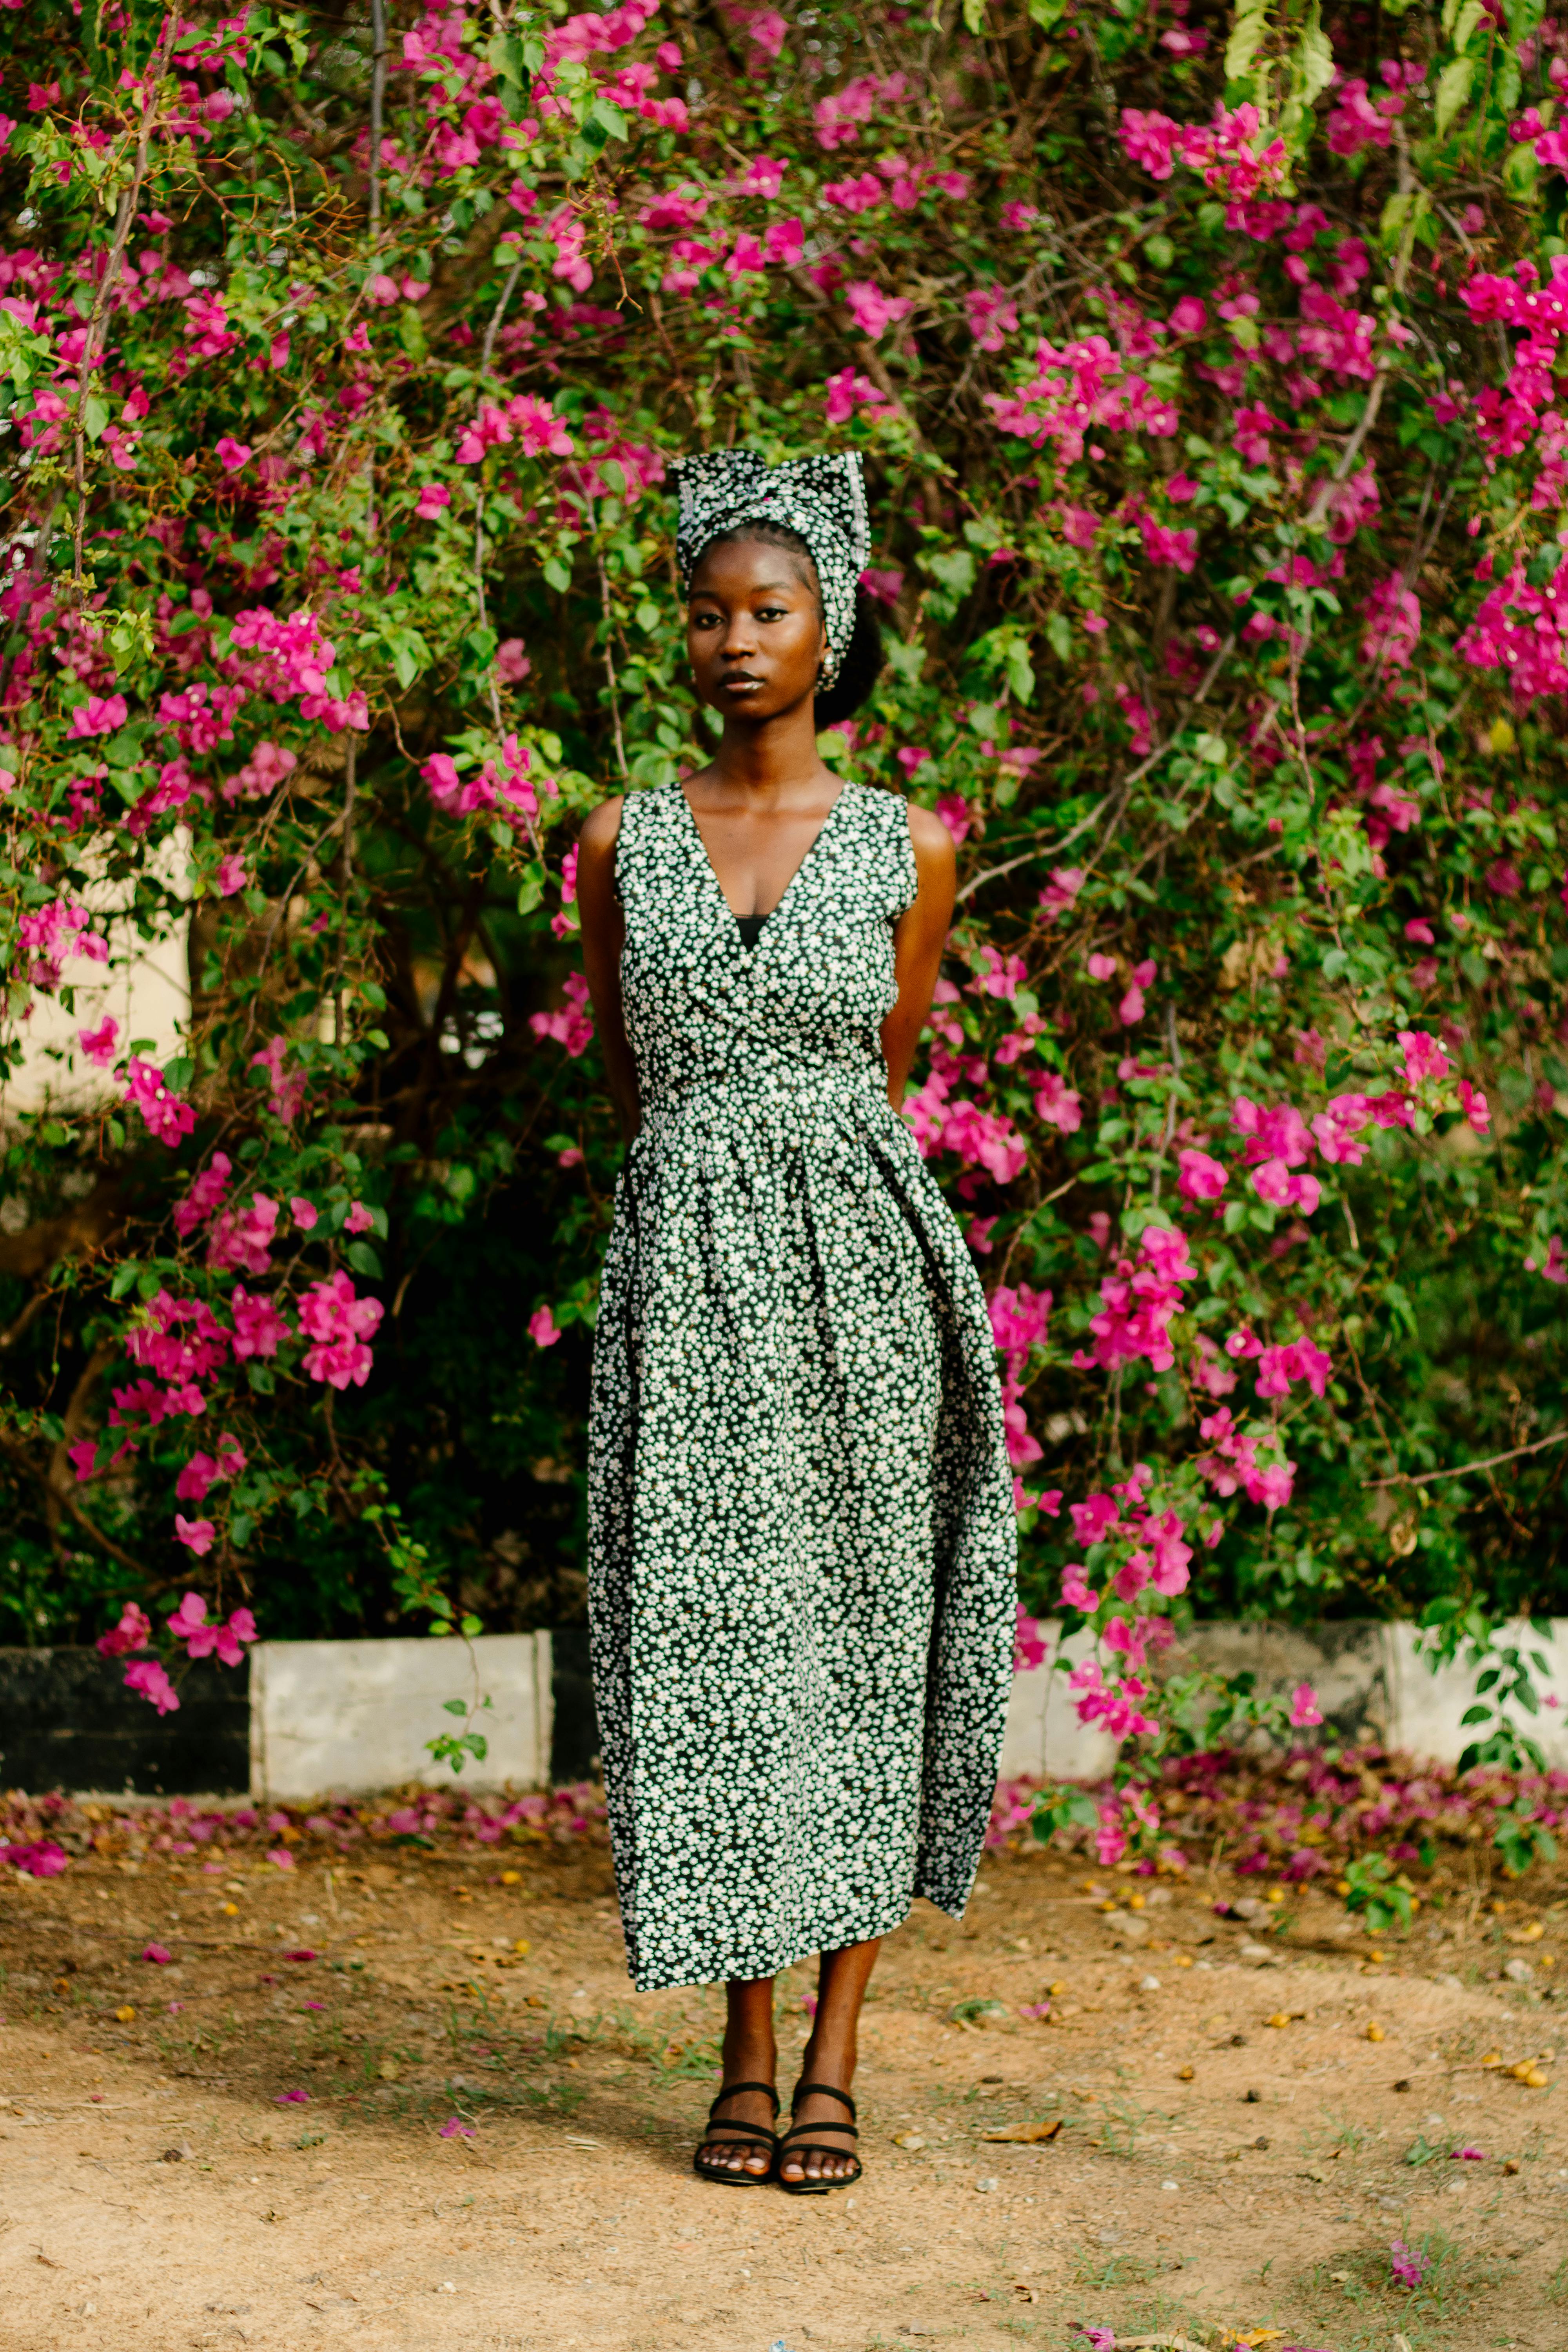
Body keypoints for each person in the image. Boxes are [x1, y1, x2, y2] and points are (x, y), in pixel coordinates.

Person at [576, 449, 1016, 2194]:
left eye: (769, 610)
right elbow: (625, 1075)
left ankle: (834, 2054)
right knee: (714, 1658)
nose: (737, 640)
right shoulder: (619, 839)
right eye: (709, 612)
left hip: (867, 1283)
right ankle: (738, 2053)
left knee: (858, 1644)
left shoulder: (914, 845)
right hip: (687, 1289)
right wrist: (708, 1215)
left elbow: (882, 1076)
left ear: (832, 629)